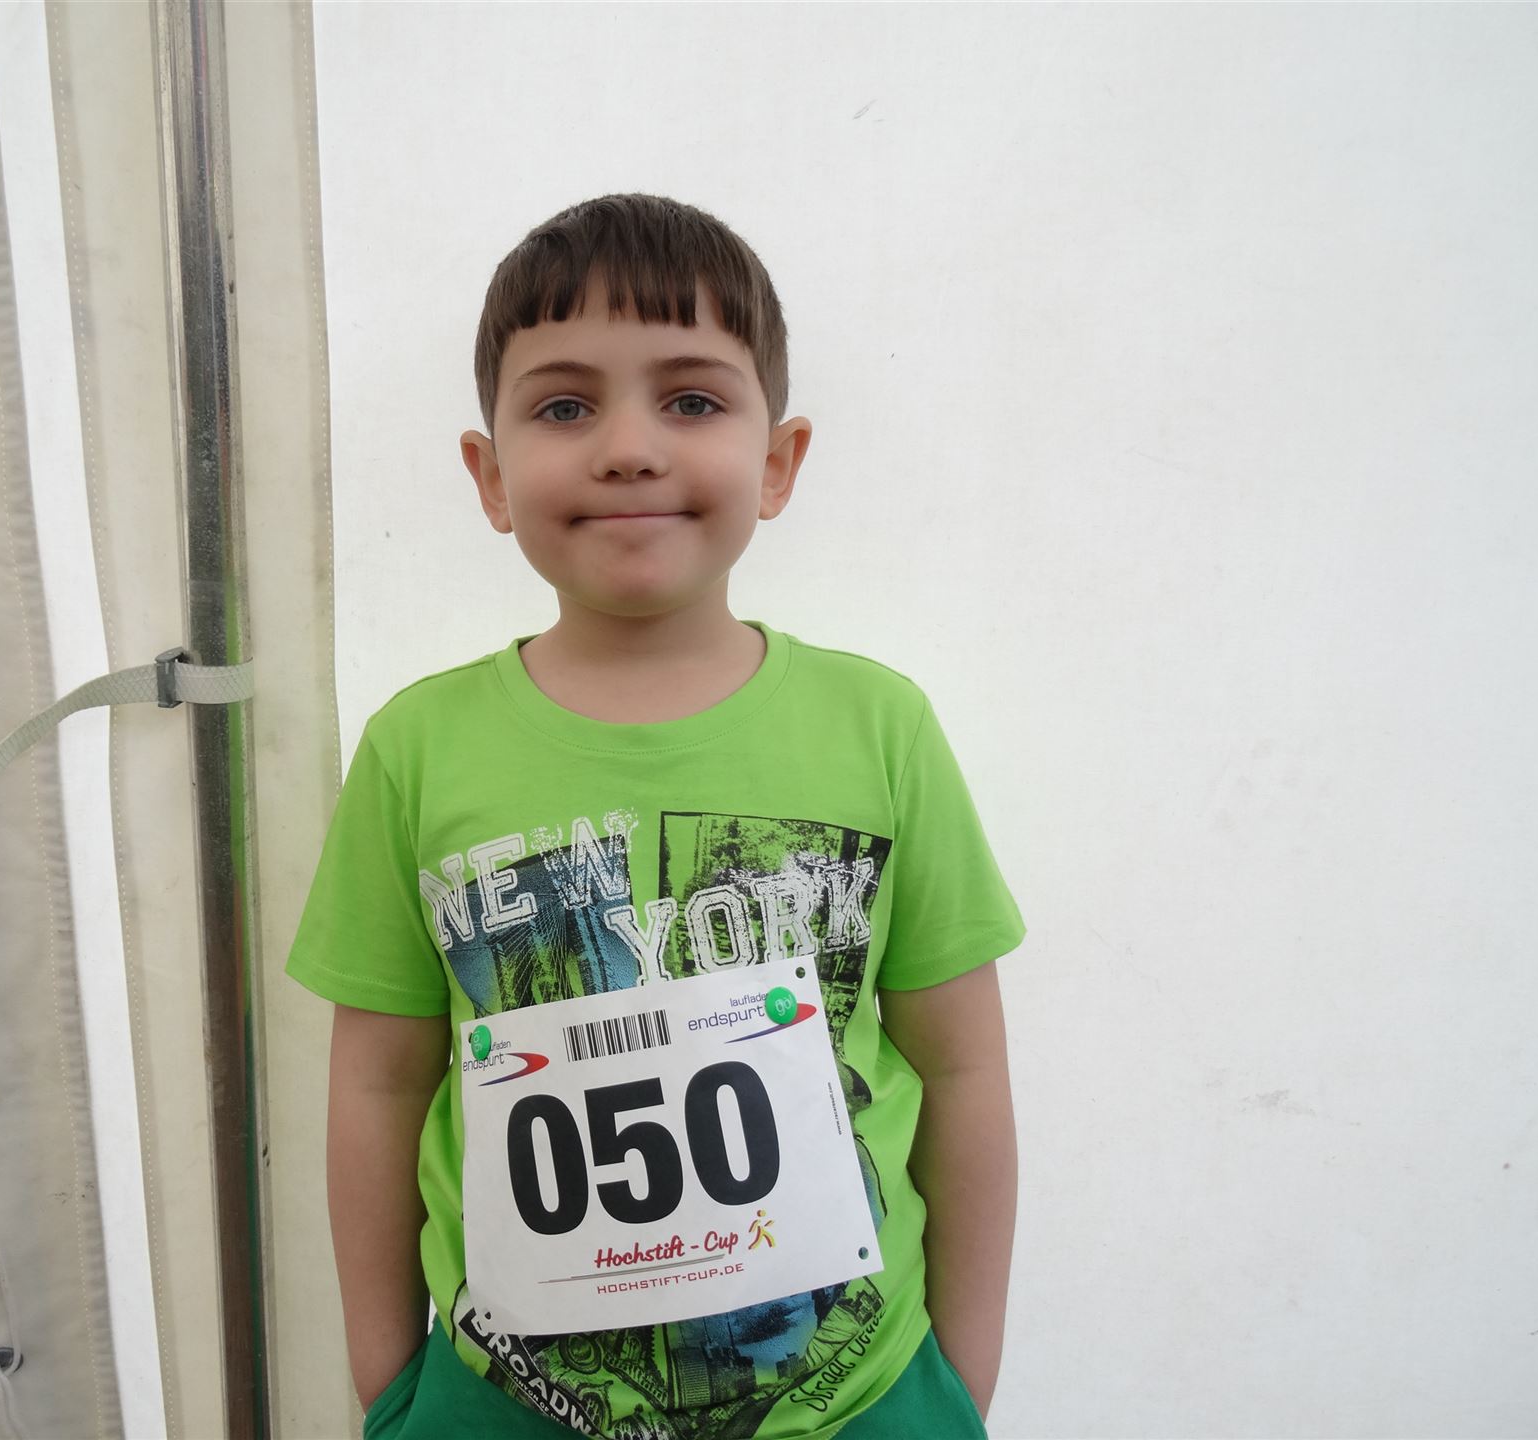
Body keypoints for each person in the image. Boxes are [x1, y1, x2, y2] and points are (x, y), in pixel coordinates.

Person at [285, 193, 1027, 1440]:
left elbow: (962, 1066)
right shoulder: (417, 752)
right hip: (502, 1405)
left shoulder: (880, 728)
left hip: (860, 1398)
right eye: (564, 408)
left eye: (690, 400)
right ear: (490, 476)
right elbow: (376, 1082)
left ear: (777, 462)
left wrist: (959, 1378)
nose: (628, 448)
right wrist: (387, 1380)